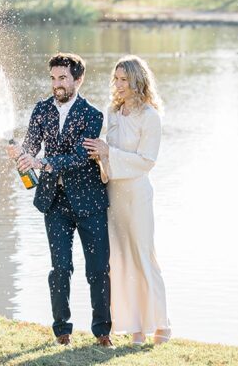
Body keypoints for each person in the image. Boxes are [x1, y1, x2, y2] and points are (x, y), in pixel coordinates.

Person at [8, 52, 112, 347]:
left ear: (78, 79)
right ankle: (62, 332)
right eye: (53, 78)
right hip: (54, 202)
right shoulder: (41, 110)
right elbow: (31, 145)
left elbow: (81, 156)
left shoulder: (93, 115)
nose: (57, 84)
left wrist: (43, 163)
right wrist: (21, 154)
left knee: (98, 270)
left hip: (89, 202)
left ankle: (103, 333)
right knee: (60, 268)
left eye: (63, 78)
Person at [84, 55, 171, 347]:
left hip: (137, 196)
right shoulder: (113, 112)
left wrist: (109, 153)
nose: (118, 85)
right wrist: (100, 157)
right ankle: (135, 328)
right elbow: (110, 155)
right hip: (114, 195)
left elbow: (147, 162)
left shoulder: (150, 117)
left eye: (124, 79)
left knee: (143, 256)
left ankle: (161, 323)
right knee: (120, 260)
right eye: (116, 79)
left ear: (137, 81)